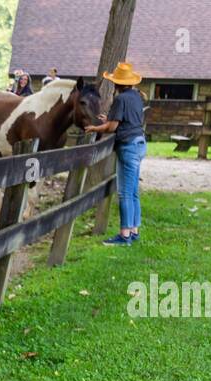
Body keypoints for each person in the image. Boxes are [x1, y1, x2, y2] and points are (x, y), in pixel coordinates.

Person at [84, 61, 147, 246]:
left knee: (125, 193)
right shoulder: (136, 96)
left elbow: (113, 127)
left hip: (128, 146)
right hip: (140, 143)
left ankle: (124, 235)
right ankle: (134, 231)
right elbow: (124, 118)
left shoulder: (120, 99)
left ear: (117, 83)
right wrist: (108, 119)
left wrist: (96, 127)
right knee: (133, 192)